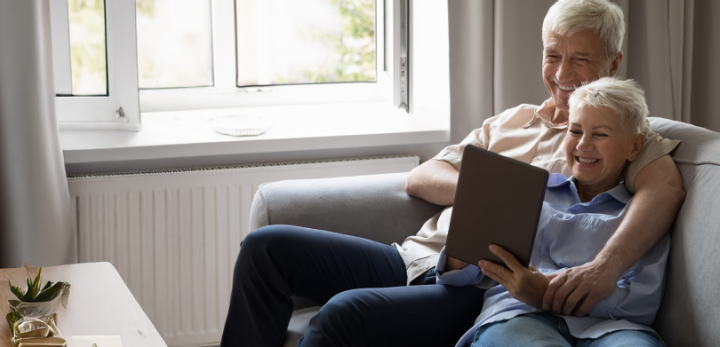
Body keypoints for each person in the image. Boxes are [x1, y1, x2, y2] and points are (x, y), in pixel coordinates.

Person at [221, 1, 684, 346]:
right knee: (266, 248)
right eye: (552, 55)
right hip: (419, 258)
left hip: (480, 285)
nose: (563, 72)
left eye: (581, 59)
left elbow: (664, 188)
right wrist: (492, 195)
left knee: (345, 314)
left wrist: (605, 269)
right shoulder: (512, 120)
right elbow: (421, 178)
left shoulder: (611, 136)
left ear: (613, 63)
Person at [441, 77, 669, 347]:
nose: (583, 144)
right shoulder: (531, 194)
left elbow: (642, 304)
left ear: (634, 146)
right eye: (575, 131)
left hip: (614, 329)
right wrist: (464, 243)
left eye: (600, 134)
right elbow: (468, 273)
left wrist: (548, 292)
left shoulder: (641, 216)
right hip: (520, 315)